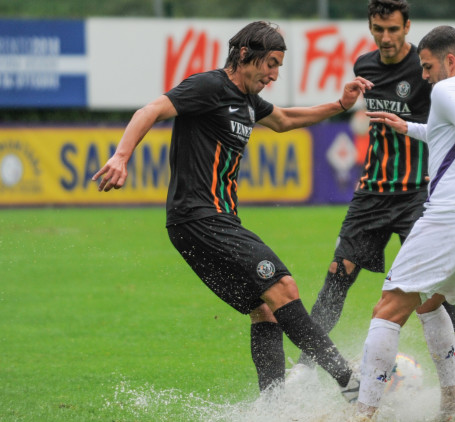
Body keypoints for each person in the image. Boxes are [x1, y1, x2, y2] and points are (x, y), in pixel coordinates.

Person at [92, 21, 373, 401]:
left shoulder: (249, 102)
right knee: (284, 287)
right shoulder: (209, 86)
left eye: (278, 67)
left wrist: (341, 105)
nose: (274, 75)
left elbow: (287, 120)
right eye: (270, 64)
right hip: (202, 218)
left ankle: (271, 406)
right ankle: (348, 381)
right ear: (244, 55)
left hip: (197, 225)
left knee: (266, 309)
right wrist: (122, 156)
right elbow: (152, 109)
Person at [293, 0, 455, 394]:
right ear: (371, 28)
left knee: (431, 284)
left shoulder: (425, 69)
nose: (386, 37)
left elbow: (450, 121)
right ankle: (306, 364)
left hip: (416, 194)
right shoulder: (364, 66)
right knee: (337, 275)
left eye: (393, 29)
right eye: (379, 28)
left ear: (407, 27)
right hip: (371, 192)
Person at [353, 25, 455, 421]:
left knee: (387, 309)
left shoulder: (445, 89)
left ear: (450, 61)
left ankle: (362, 416)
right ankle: (451, 410)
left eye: (427, 67)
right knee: (431, 302)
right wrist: (408, 128)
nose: (423, 76)